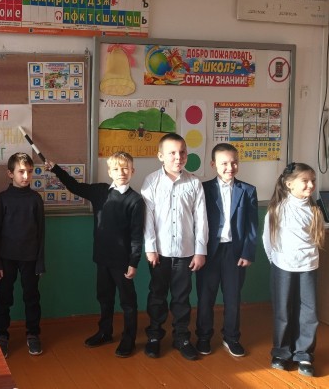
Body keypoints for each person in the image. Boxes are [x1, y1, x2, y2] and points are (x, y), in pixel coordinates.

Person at [45, 152, 144, 357]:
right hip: (102, 258)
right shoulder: (100, 191)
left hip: (122, 262)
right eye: (116, 169)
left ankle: (129, 338)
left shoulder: (135, 200)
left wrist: (134, 262)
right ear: (109, 172)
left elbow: (136, 235)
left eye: (125, 168)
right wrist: (55, 169)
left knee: (127, 302)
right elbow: (75, 186)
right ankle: (105, 332)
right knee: (104, 297)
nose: (121, 172)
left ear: (133, 171)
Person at [141, 132, 208, 360]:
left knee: (181, 298)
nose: (178, 157)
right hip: (159, 253)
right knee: (157, 296)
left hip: (185, 253)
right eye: (172, 153)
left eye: (182, 152)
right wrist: (150, 248)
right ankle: (154, 336)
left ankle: (182, 337)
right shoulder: (151, 181)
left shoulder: (194, 182)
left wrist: (200, 251)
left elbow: (201, 220)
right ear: (160, 155)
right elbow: (147, 218)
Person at [196, 143, 257, 358]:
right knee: (205, 297)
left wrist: (248, 252)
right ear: (213, 164)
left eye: (234, 162)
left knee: (232, 298)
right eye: (224, 163)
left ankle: (231, 337)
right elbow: (196, 222)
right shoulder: (202, 188)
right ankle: (203, 336)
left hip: (235, 252)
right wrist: (197, 251)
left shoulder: (248, 190)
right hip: (209, 251)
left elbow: (251, 225)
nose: (230, 167)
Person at [263, 162, 324, 377]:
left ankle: (304, 354)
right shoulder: (277, 209)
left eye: (313, 181)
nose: (311, 185)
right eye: (305, 181)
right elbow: (268, 239)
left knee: (309, 312)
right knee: (283, 311)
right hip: (283, 267)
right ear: (289, 184)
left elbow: (316, 238)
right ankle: (281, 352)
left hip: (308, 267)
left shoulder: (315, 210)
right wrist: (275, 261)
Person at [0, 153, 45, 358]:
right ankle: (2, 336)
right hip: (6, 258)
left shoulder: (35, 199)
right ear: (10, 173)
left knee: (31, 297)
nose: (26, 176)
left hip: (30, 258)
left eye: (30, 172)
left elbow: (41, 233)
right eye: (21, 172)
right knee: (4, 298)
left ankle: (33, 334)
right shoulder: (2, 199)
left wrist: (40, 262)